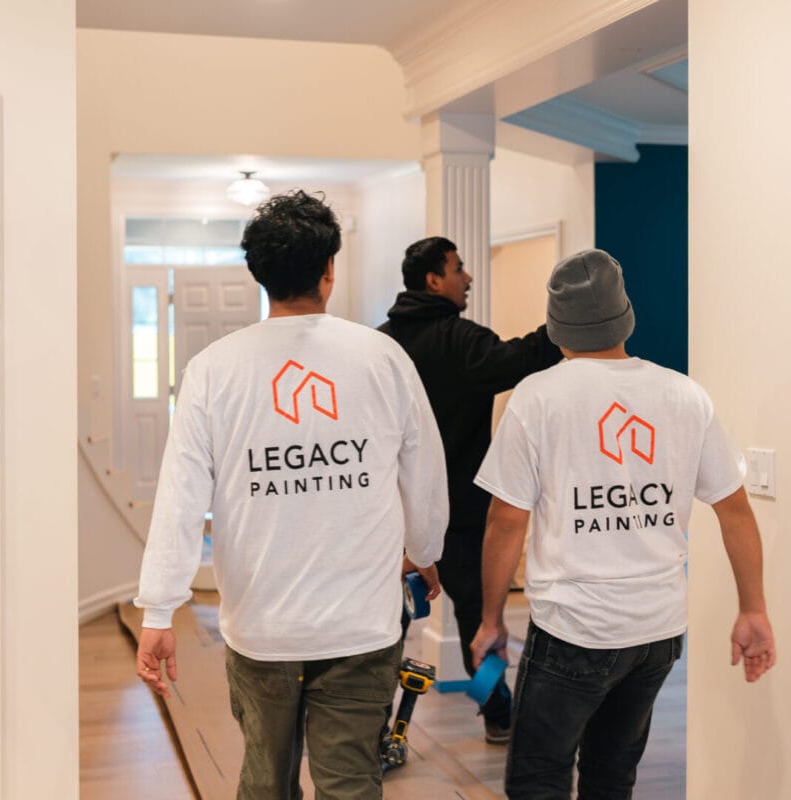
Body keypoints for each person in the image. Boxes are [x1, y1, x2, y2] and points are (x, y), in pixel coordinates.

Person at [134, 190, 449, 800]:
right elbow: (426, 476)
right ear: (329, 269)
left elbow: (179, 498)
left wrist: (159, 609)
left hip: (261, 627)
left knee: (265, 782)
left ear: (260, 274)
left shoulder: (213, 370)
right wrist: (425, 548)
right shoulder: (381, 359)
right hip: (361, 625)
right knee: (351, 783)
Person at [471, 248, 776, 799]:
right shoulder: (684, 395)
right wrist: (753, 608)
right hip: (656, 632)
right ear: (626, 317)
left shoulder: (537, 398)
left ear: (557, 328)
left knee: (538, 779)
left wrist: (491, 619)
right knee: (612, 775)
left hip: (573, 627)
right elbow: (735, 510)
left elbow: (505, 520)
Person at [378, 236, 562, 744]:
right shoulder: (462, 341)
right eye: (459, 269)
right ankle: (497, 711)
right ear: (434, 280)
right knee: (480, 622)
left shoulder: (381, 344)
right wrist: (568, 323)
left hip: (386, 516)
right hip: (460, 515)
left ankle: (372, 724)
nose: (468, 277)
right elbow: (522, 357)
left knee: (383, 625)